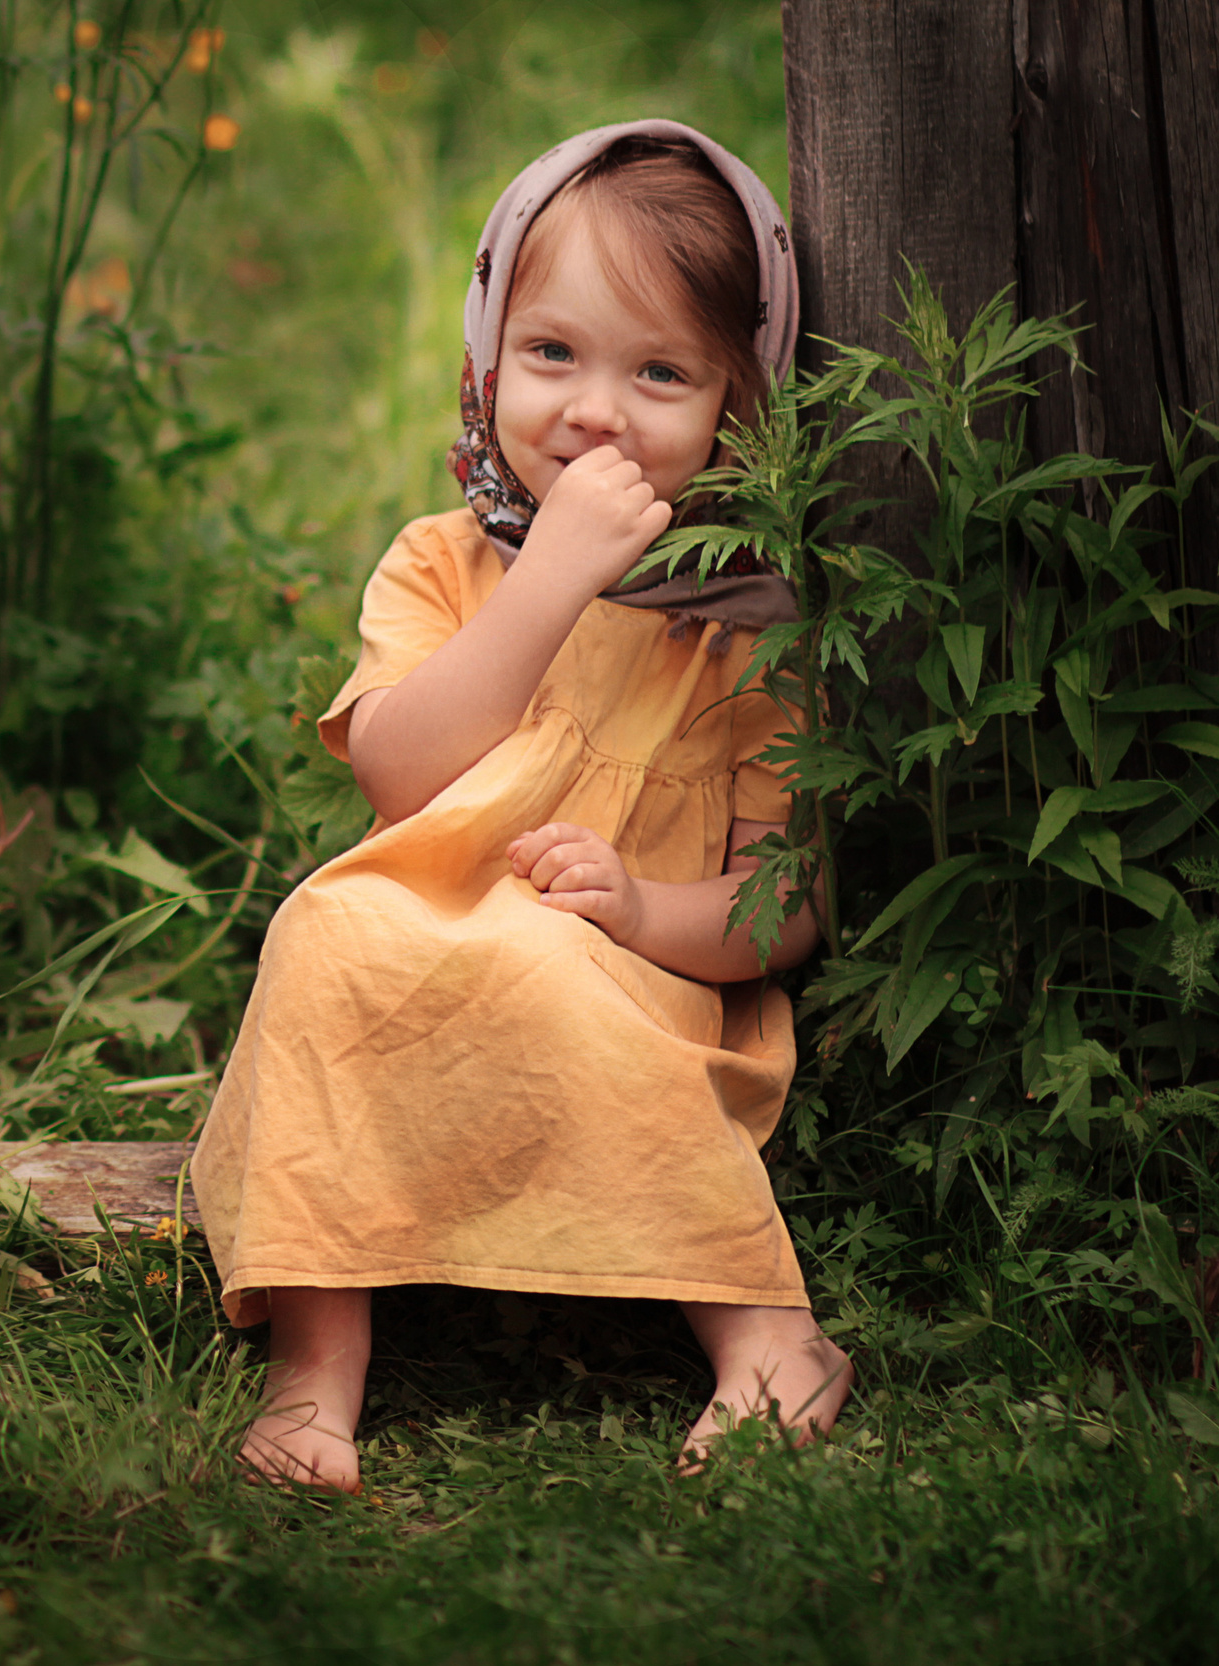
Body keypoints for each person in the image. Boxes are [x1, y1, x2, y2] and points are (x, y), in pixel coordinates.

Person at [190, 121, 851, 1493]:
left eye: (660, 372)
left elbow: (782, 909)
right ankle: (315, 1373)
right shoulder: (441, 566)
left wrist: (642, 908)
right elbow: (399, 779)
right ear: (489, 358)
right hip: (419, 936)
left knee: (551, 965)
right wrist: (548, 581)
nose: (595, 410)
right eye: (553, 353)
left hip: (630, 973)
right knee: (323, 935)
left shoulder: (751, 634)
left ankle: (769, 1336)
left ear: (740, 404)